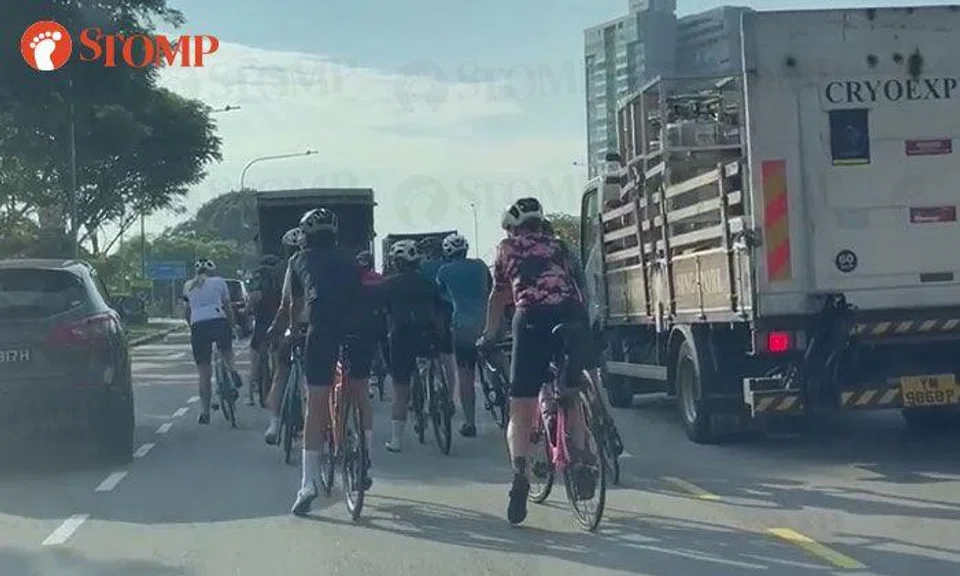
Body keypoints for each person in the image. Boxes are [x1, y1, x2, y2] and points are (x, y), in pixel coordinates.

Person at [478, 197, 593, 525]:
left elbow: (499, 296)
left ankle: (520, 474)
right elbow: (578, 287)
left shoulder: (505, 249)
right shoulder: (560, 246)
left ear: (513, 227)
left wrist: (488, 336)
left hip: (531, 321)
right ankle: (581, 461)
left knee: (521, 405)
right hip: (570, 317)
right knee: (570, 391)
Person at [278, 208, 372, 517]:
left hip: (323, 326)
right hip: (360, 325)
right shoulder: (351, 258)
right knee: (358, 388)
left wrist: (293, 331)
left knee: (316, 401)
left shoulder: (297, 260)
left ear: (304, 235)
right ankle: (364, 455)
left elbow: (295, 303)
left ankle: (307, 483)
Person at [540, 221, 623, 456]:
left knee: (548, 376)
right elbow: (584, 288)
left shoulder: (526, 257)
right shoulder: (565, 251)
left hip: (544, 324)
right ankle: (608, 425)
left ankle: (552, 417)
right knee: (591, 376)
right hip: (578, 317)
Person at [380, 240, 444, 453]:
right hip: (428, 333)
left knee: (400, 388)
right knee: (431, 361)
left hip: (402, 335)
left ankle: (396, 440)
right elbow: (440, 310)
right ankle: (435, 387)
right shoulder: (429, 282)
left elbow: (383, 314)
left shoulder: (388, 284)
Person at [436, 233, 492, 437]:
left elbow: (440, 296)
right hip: (488, 323)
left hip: (463, 327)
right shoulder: (480, 265)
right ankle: (503, 390)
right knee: (497, 359)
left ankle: (469, 422)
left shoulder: (444, 271)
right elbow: (491, 288)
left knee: (466, 375)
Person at [183, 259, 242, 424]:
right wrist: (233, 326)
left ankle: (205, 411)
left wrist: (192, 326)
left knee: (204, 372)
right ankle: (232, 370)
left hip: (198, 326)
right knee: (227, 352)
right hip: (218, 320)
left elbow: (187, 312)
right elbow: (227, 306)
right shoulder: (219, 282)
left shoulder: (188, 285)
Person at [262, 228, 306, 444]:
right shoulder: (323, 265)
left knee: (280, 375)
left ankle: (274, 424)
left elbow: (286, 304)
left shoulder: (292, 266)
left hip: (294, 327)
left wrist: (275, 329)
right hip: (319, 329)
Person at [417, 236, 457, 391]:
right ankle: (451, 394)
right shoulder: (447, 266)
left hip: (425, 314)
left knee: (422, 356)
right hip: (446, 312)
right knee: (447, 356)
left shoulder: (421, 268)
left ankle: (424, 390)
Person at [247, 253, 285, 407]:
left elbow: (251, 302)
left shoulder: (257, 283)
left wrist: (247, 311)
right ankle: (279, 388)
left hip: (261, 326)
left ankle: (250, 396)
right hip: (278, 324)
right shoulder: (280, 281)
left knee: (254, 361)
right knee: (279, 361)